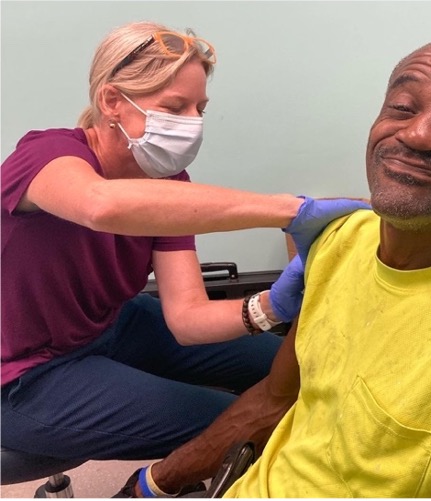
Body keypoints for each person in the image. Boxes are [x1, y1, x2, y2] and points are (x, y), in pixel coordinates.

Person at [116, 35, 431, 498]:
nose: (419, 134)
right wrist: (155, 482)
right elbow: (275, 399)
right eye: (403, 107)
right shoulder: (343, 242)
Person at [0, 20, 368, 471]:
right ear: (112, 101)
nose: (192, 124)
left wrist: (270, 305)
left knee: (294, 368)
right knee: (237, 424)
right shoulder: (45, 155)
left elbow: (188, 319)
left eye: (200, 109)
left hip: (110, 325)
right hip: (23, 374)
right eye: (175, 107)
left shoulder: (168, 182)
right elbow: (100, 205)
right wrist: (291, 209)